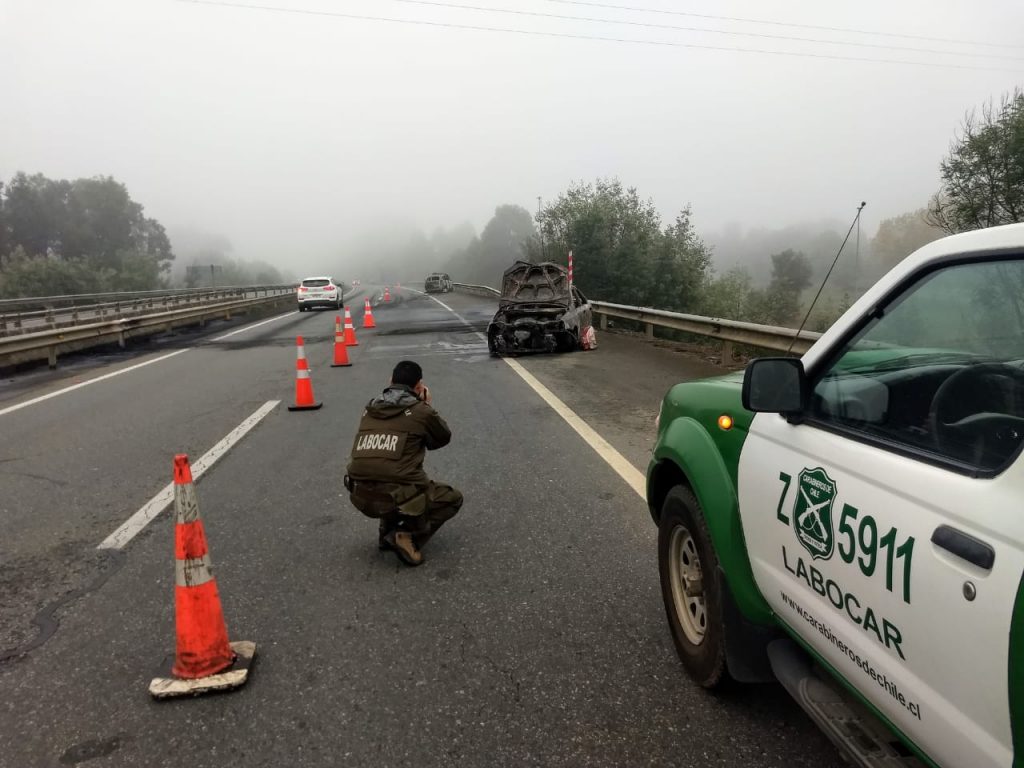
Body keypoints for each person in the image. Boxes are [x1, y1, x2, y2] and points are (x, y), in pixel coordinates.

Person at [344, 360, 463, 566]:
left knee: (385, 473)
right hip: (394, 498)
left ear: (390, 381)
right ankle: (406, 535)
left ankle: (385, 534)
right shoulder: (421, 411)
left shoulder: (369, 407)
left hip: (359, 496)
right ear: (419, 387)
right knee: (452, 498)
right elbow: (441, 439)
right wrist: (425, 405)